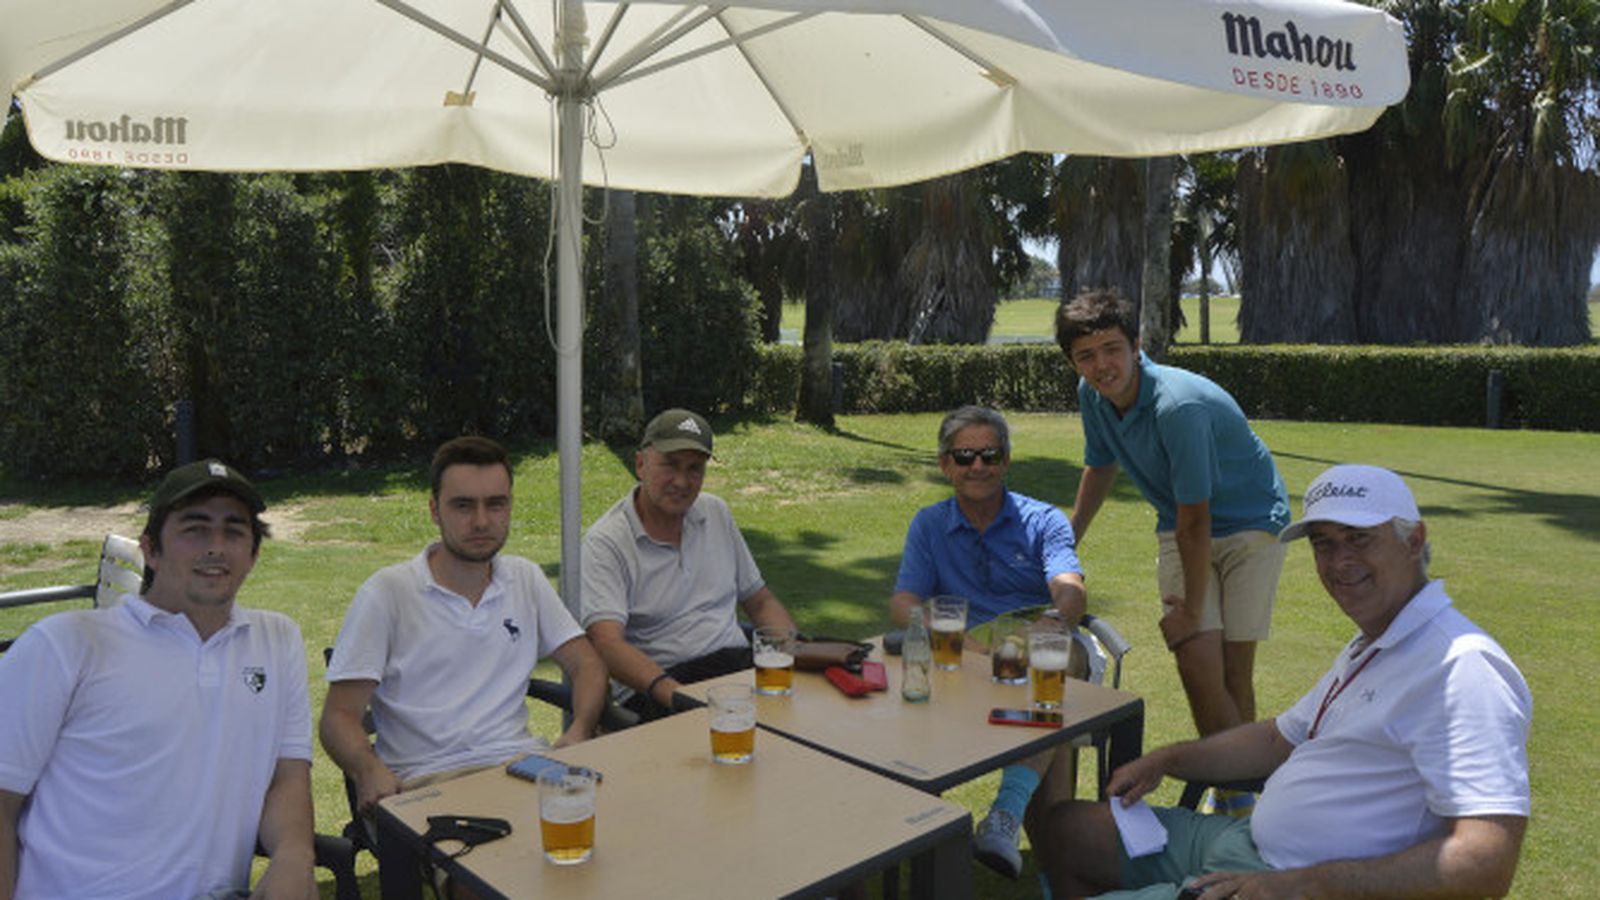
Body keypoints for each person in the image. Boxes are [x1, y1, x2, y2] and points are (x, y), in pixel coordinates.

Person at [1034, 464, 1531, 899]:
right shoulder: (1378, 642)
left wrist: (1304, 885)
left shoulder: (1461, 669)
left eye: (1359, 539)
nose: (1339, 562)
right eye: (1324, 543)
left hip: (1298, 884)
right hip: (1246, 845)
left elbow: (1485, 861)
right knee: (1066, 829)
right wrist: (1169, 759)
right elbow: (1277, 738)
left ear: (1414, 541)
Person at [0, 460, 316, 900]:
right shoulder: (66, 646)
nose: (216, 547)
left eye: (234, 531)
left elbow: (288, 775)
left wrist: (294, 857)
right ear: (151, 549)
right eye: (195, 528)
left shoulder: (277, 641)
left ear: (254, 553)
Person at [1057, 288, 1289, 814]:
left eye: (1112, 349)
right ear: (1073, 361)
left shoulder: (1176, 406)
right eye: (1086, 356)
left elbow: (1196, 520)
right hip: (1182, 524)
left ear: (1138, 345)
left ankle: (1245, 797)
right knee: (1196, 662)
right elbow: (1100, 464)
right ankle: (1250, 793)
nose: (1101, 365)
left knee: (1233, 672)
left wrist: (1188, 611)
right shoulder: (1092, 395)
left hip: (1253, 522)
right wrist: (1069, 536)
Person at [321, 436, 607, 816]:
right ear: (433, 511)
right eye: (463, 506)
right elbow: (338, 717)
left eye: (495, 504)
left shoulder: (524, 578)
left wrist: (580, 730)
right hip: (429, 781)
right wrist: (369, 769)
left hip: (524, 767)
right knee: (493, 870)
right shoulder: (388, 593)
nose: (481, 521)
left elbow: (587, 664)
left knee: (619, 837)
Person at [888, 405, 1096, 880]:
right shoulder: (929, 524)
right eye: (964, 456)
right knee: (1053, 731)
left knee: (1052, 660)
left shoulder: (1043, 520)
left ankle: (1005, 812)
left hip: (1038, 647)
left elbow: (1070, 587)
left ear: (1005, 461)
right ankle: (1050, 869)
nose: (977, 465)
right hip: (964, 659)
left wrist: (1052, 618)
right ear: (945, 465)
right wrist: (962, 644)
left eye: (989, 454)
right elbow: (903, 603)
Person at [580, 408, 797, 721]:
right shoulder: (608, 542)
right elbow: (606, 642)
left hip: (738, 671)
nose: (681, 481)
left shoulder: (715, 513)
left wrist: (791, 656)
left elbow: (760, 601)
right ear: (640, 464)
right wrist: (678, 695)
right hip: (660, 688)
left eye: (694, 468)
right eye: (670, 465)